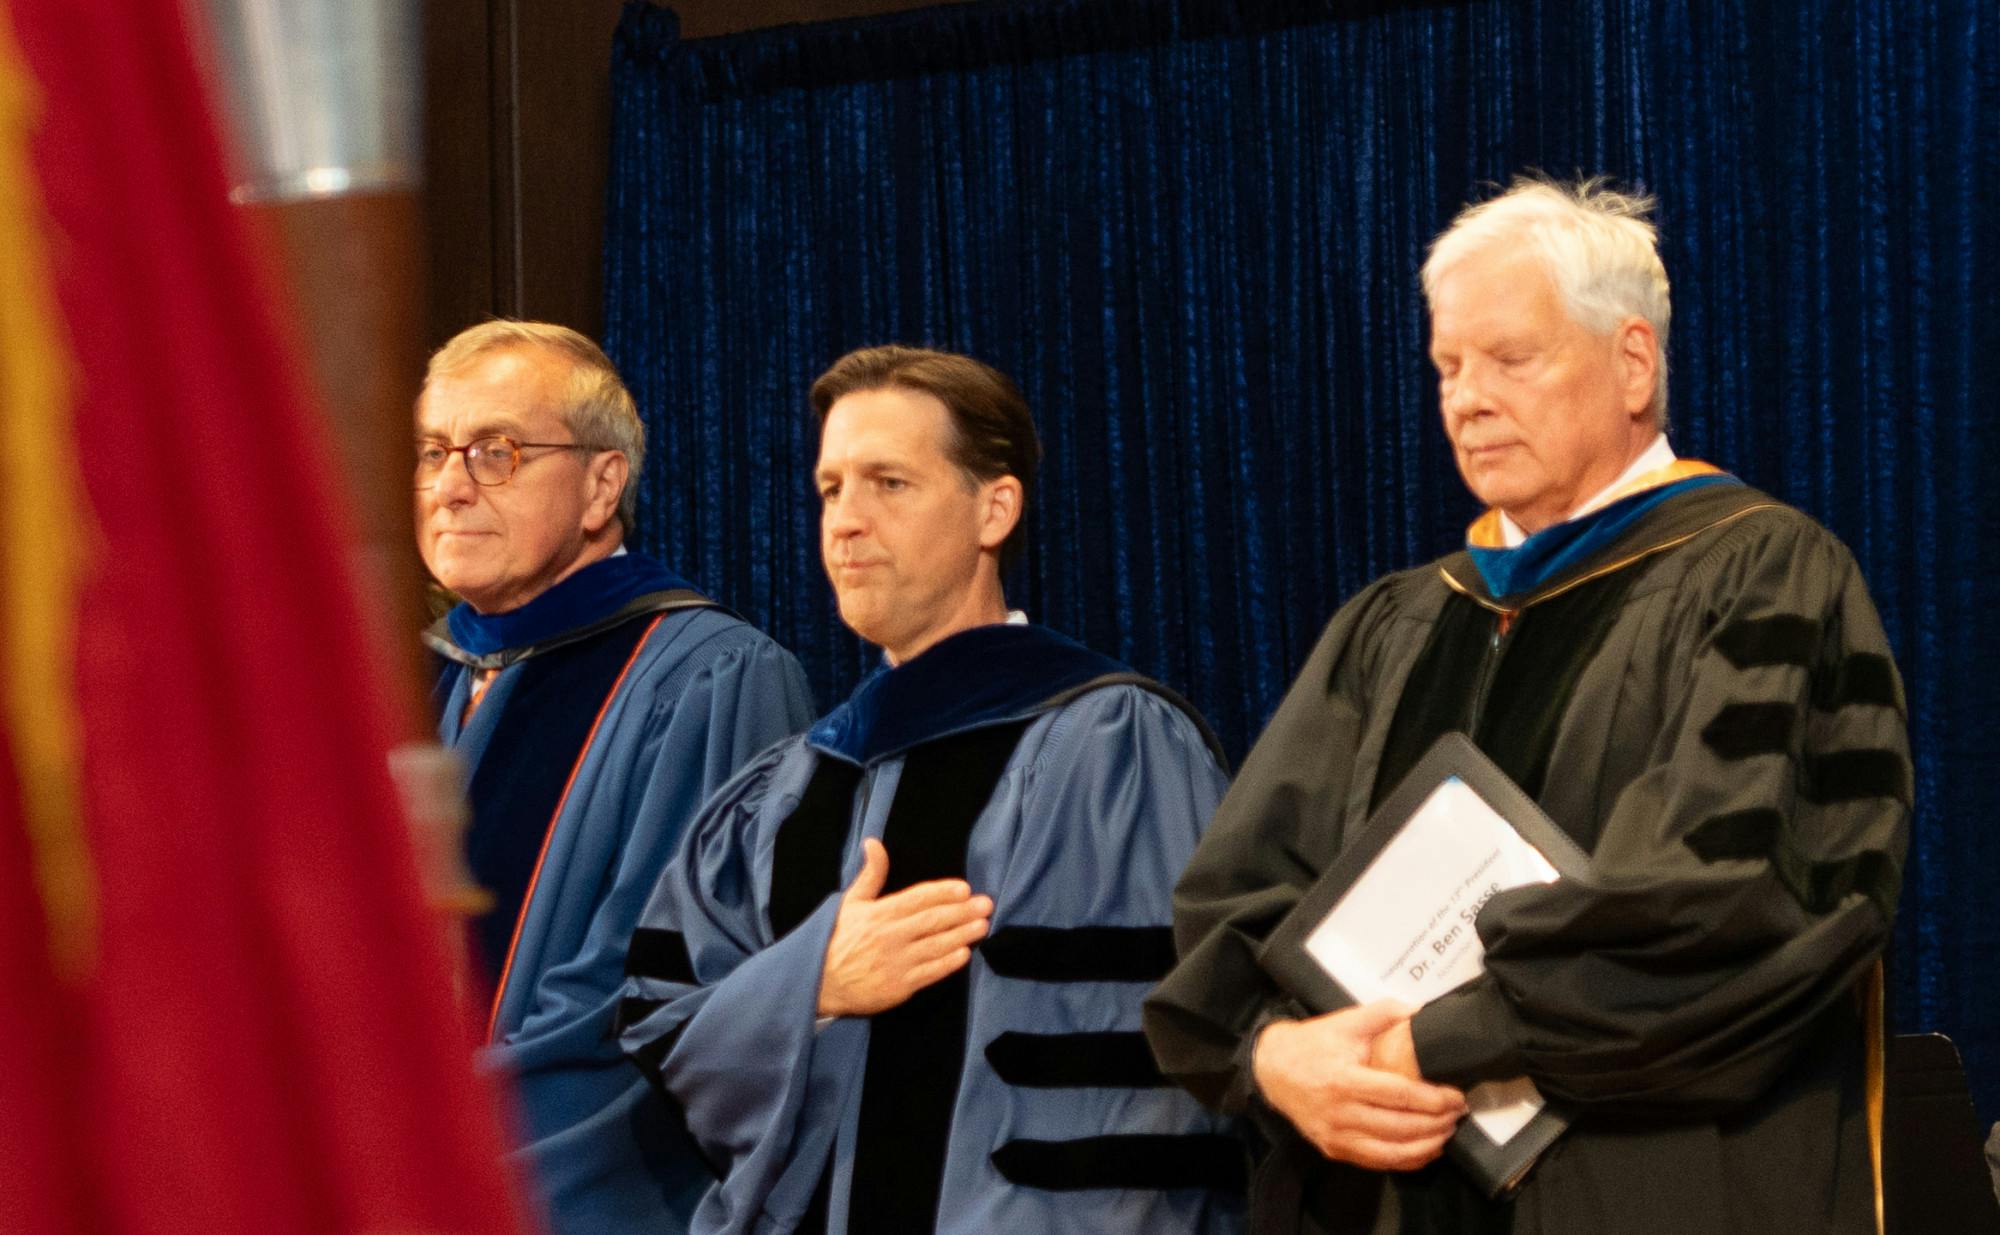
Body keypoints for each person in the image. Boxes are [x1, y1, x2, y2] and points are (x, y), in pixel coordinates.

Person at [1144, 178, 1911, 1235]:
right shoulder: (1396, 620)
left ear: (1631, 361)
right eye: (1448, 367)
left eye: (1509, 358)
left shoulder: (1765, 578)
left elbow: (1728, 903)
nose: (1465, 397)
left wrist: (1426, 1040)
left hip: (1654, 1186)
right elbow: (1241, 891)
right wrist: (1273, 1056)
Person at [617, 345, 1247, 1234]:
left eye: (889, 483)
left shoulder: (1110, 750)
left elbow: (1133, 1098)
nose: (845, 521)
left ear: (995, 508)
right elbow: (664, 1029)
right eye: (831, 488)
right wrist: (812, 983)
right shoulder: (791, 784)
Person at [416, 321, 815, 1235]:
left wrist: (430, 1150)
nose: (449, 486)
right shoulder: (415, 681)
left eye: (496, 451)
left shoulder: (714, 679)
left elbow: (651, 1003)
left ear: (604, 483)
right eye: (435, 451)